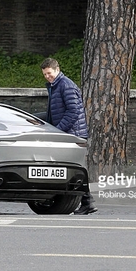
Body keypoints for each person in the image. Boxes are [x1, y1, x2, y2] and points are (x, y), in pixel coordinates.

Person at [40, 57, 96, 215]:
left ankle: (87, 202)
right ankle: (85, 201)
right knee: (72, 169)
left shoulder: (65, 85)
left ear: (57, 70)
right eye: (44, 74)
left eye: (49, 73)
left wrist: (58, 131)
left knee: (75, 170)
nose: (47, 77)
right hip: (70, 134)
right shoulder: (56, 85)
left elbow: (73, 112)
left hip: (73, 135)